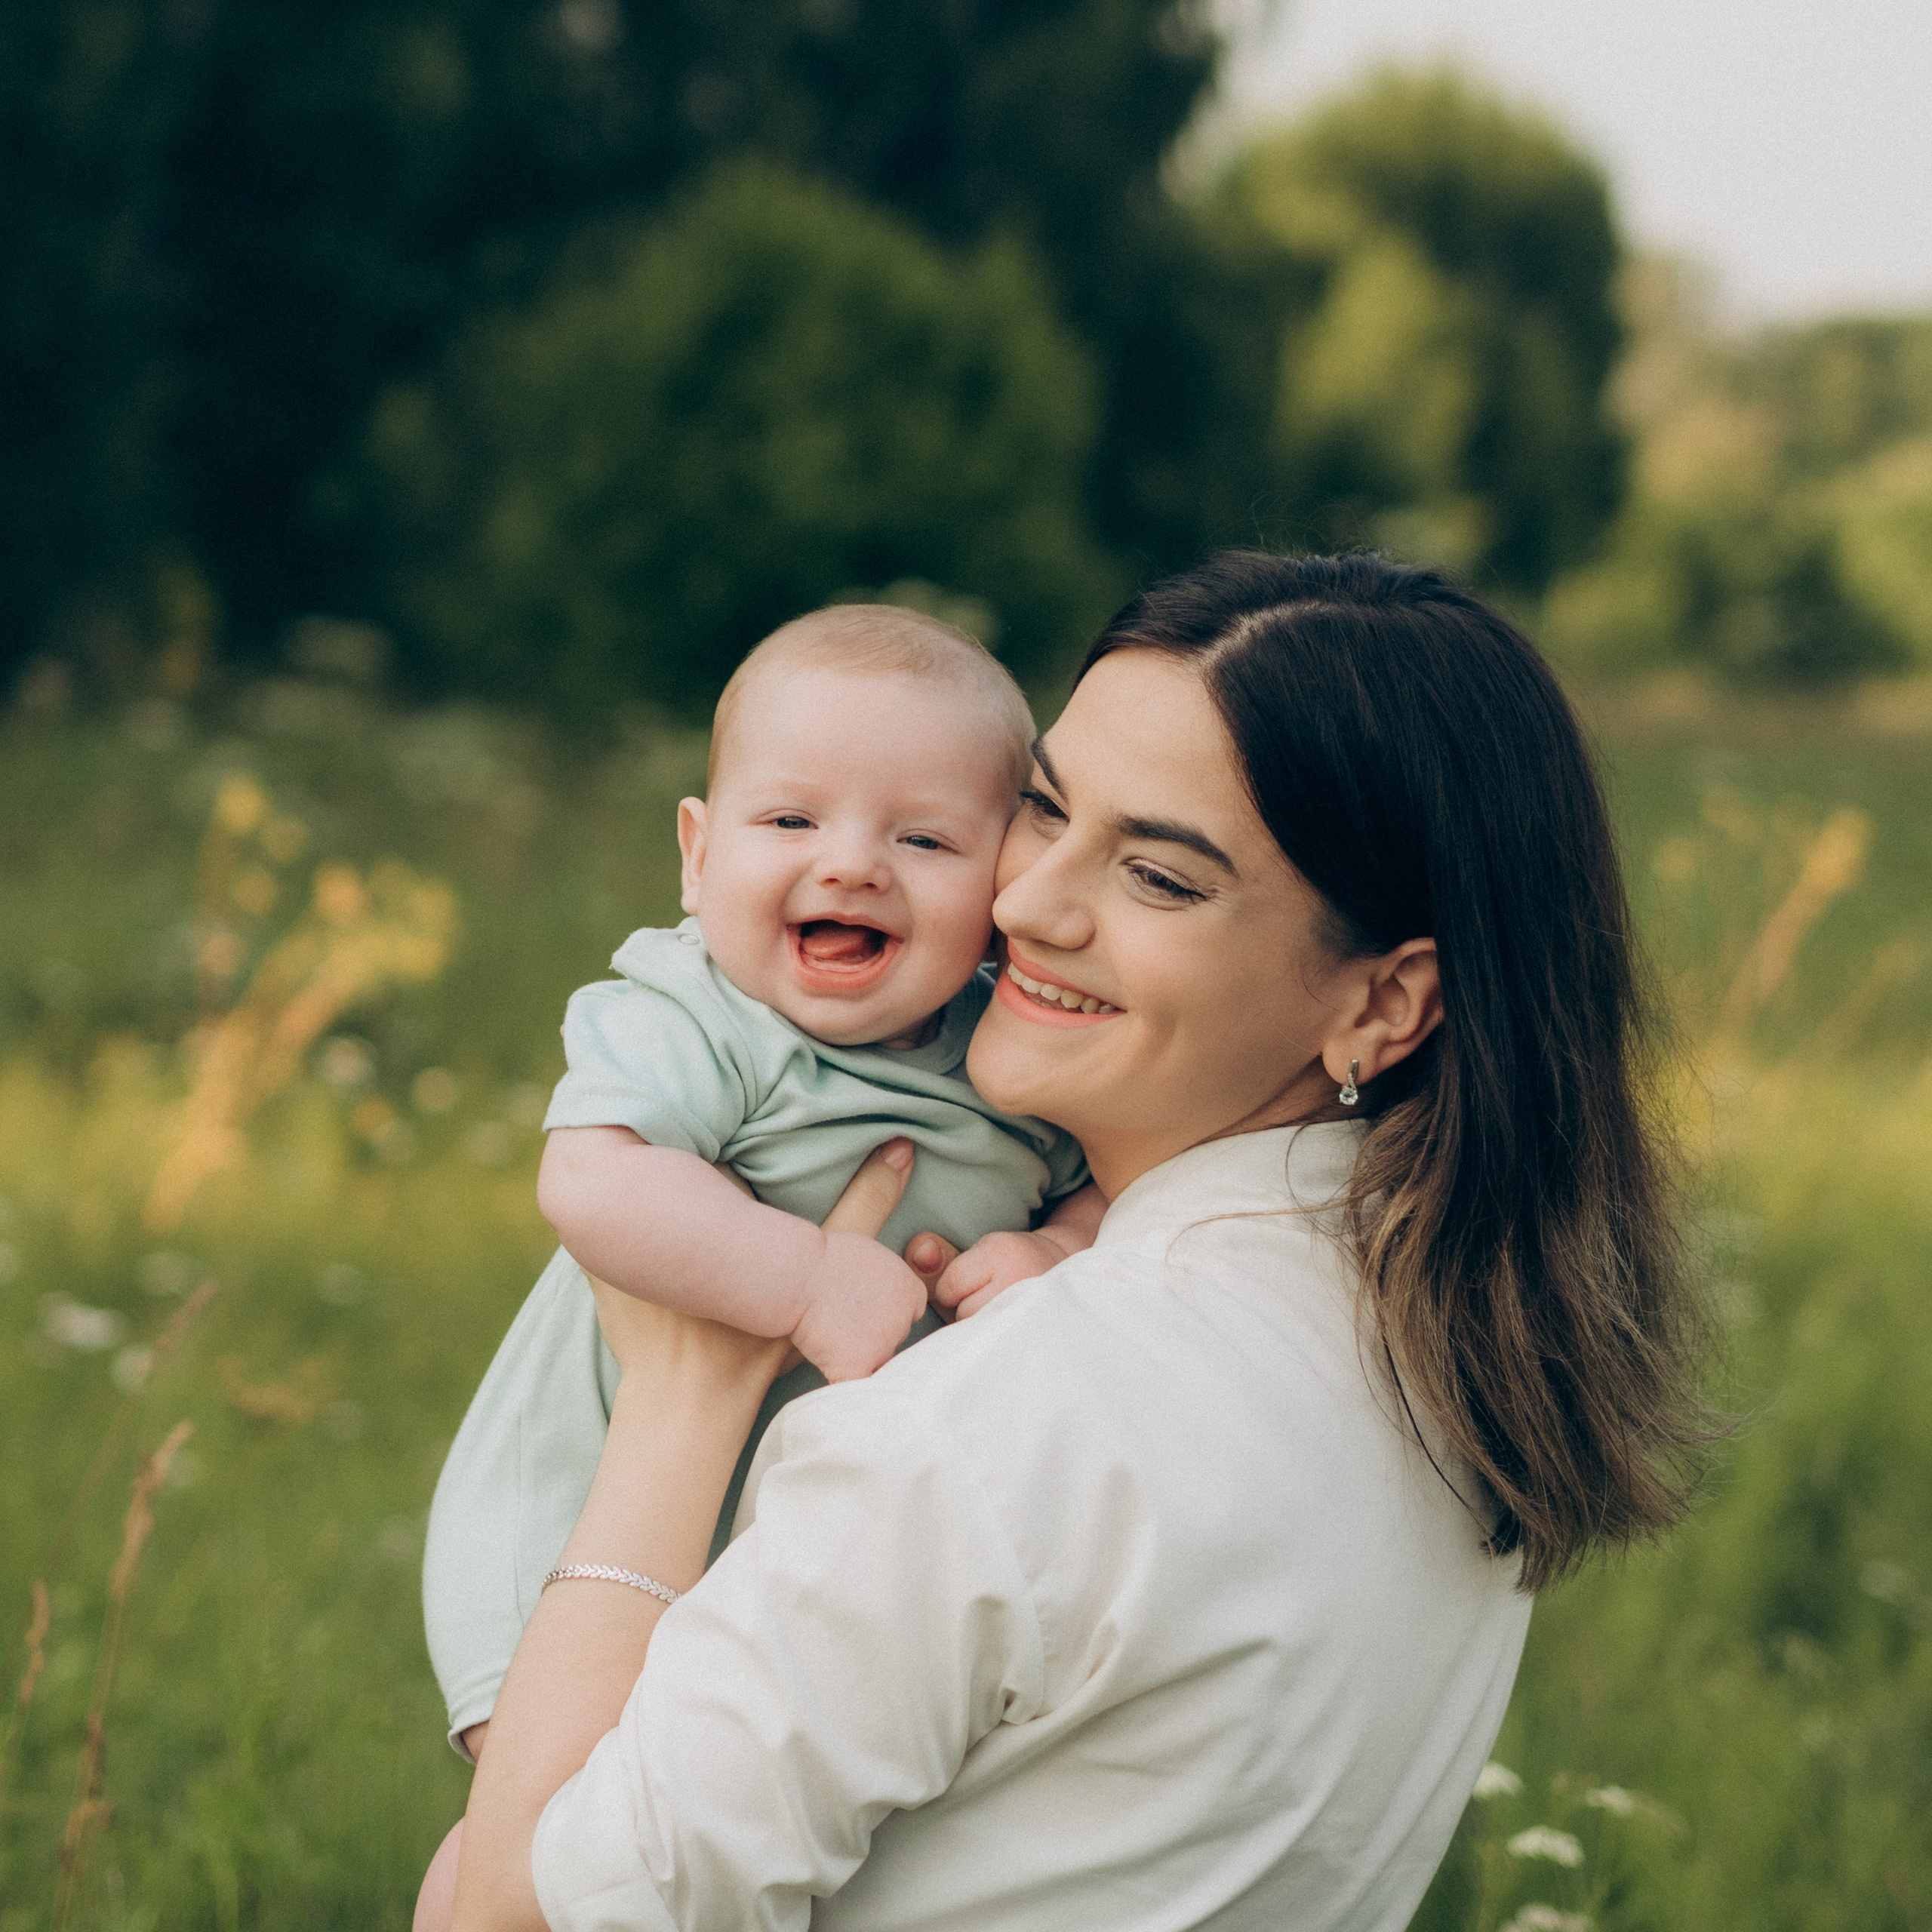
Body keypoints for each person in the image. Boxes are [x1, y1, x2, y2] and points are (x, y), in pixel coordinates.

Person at [438, 553, 1709, 1932]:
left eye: (1160, 876)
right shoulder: (1461, 1355)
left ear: (1385, 1004)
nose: (1029, 904)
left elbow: (511, 1921)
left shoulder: (996, 1427)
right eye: (1044, 808)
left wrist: (681, 1404)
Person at [414, 605, 1099, 1910]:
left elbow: (1092, 1194)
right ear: (695, 851)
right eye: (791, 823)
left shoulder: (1004, 1055)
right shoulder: (702, 1015)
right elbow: (592, 1179)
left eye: (925, 838)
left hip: (782, 1535)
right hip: (579, 1503)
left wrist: (1054, 1245)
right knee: (545, 1834)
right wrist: (803, 1279)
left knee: (711, 1828)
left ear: (1003, 884)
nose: (853, 866)